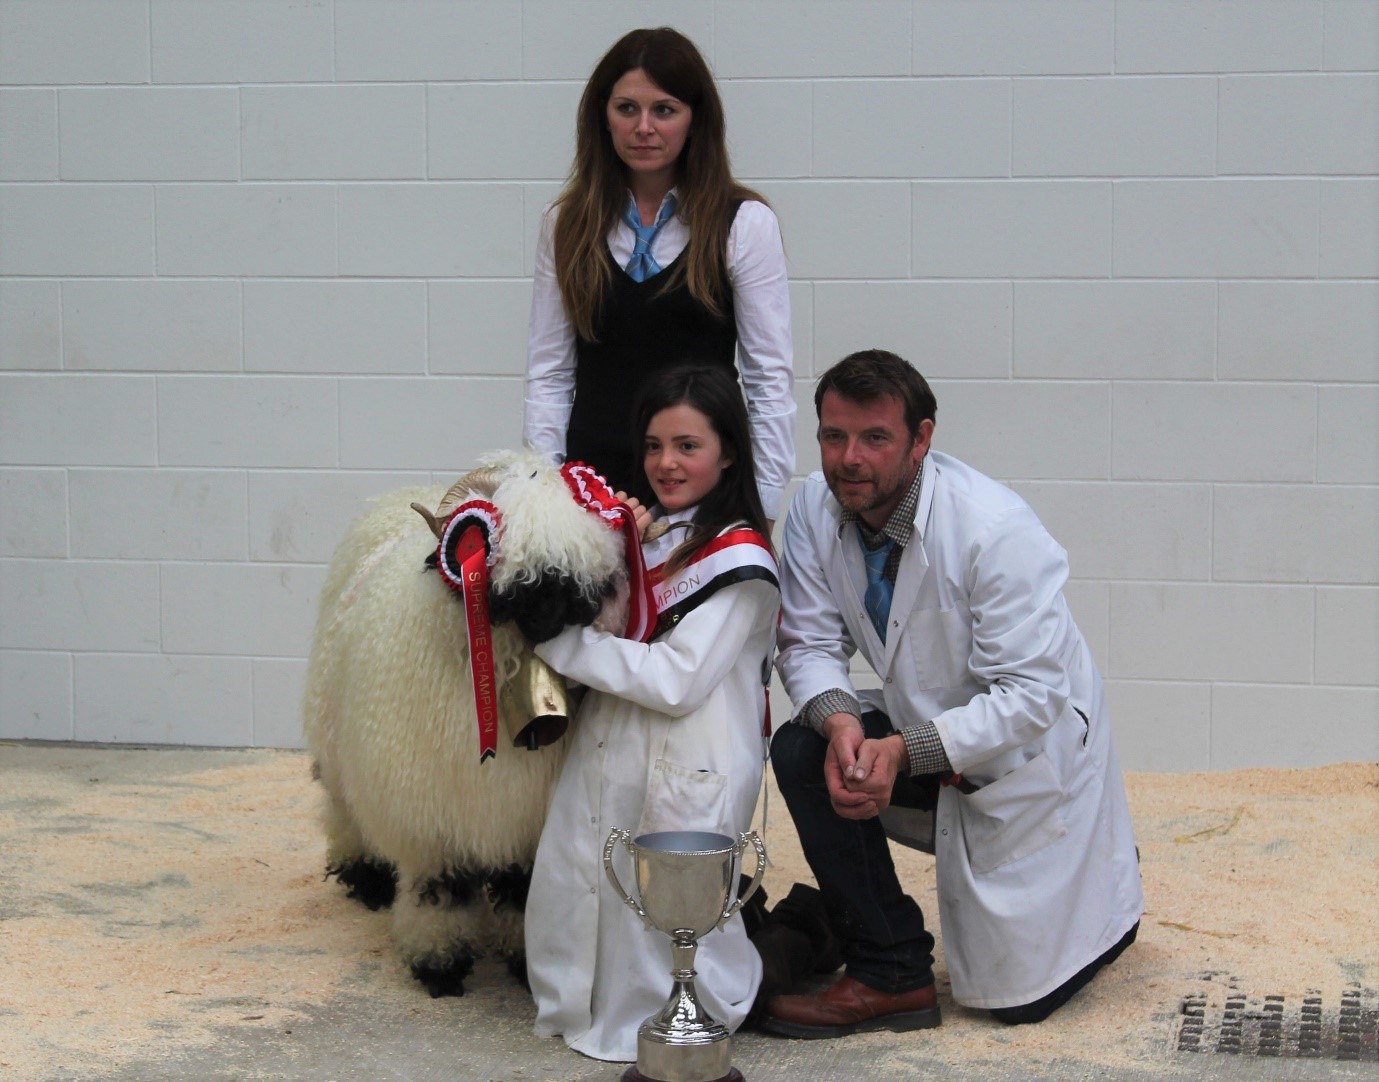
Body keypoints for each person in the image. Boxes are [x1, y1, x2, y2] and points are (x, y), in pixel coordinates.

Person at [760, 349, 1144, 1038]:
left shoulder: (994, 529)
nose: (849, 458)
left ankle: (1098, 879)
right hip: (932, 736)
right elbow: (810, 644)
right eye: (833, 436)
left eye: (875, 437)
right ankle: (889, 969)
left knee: (1015, 1004)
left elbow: (1032, 696)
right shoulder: (814, 509)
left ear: (921, 439)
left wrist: (902, 751)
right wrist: (843, 726)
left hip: (1028, 761)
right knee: (800, 748)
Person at [524, 365, 781, 1063]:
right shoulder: (658, 536)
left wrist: (560, 642)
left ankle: (680, 1019)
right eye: (653, 445)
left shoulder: (740, 559)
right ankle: (581, 1004)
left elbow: (676, 681)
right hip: (615, 744)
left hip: (687, 753)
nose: (666, 463)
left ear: (727, 453)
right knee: (588, 879)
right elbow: (622, 631)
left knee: (661, 916)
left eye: (687, 446)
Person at [523, 26, 795, 522]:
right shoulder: (565, 223)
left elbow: (768, 380)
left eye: (664, 110)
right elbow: (550, 374)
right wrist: (544, 496)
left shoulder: (744, 223)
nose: (643, 127)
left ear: (695, 120)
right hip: (591, 494)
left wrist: (764, 505)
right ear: (603, 116)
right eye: (627, 108)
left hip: (700, 493)